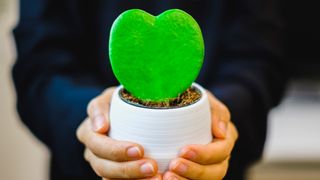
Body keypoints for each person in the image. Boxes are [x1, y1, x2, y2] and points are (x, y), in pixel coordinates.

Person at [12, 0, 286, 179]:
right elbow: (39, 63)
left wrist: (223, 117)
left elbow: (261, 56)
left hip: (214, 170)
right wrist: (90, 120)